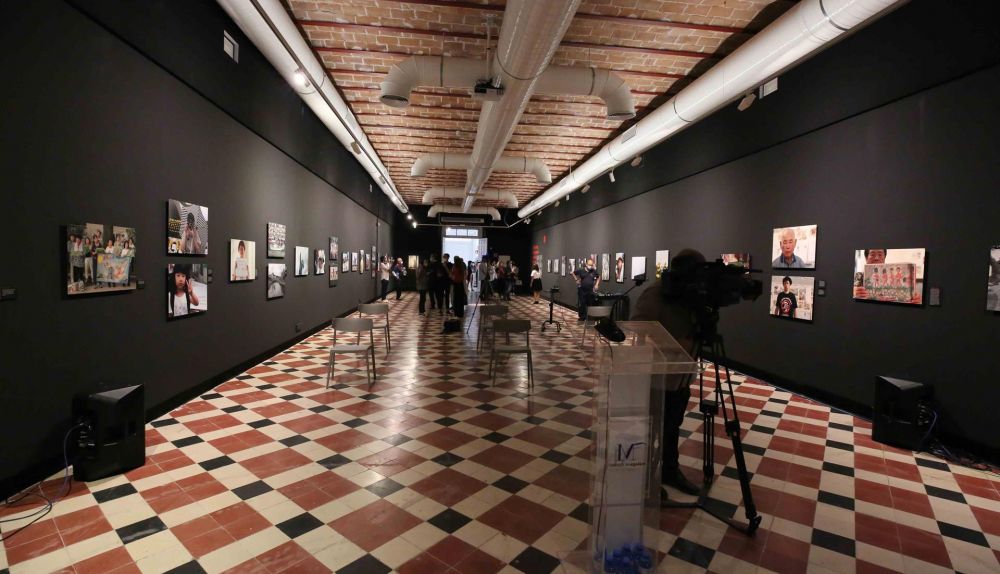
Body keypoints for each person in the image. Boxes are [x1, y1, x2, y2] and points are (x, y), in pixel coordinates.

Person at [630, 249, 706, 496]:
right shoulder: (656, 293)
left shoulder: (691, 294)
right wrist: (674, 345)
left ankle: (670, 470)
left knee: (672, 427)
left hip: (680, 377)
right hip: (656, 378)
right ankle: (643, 478)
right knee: (651, 429)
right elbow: (638, 329)